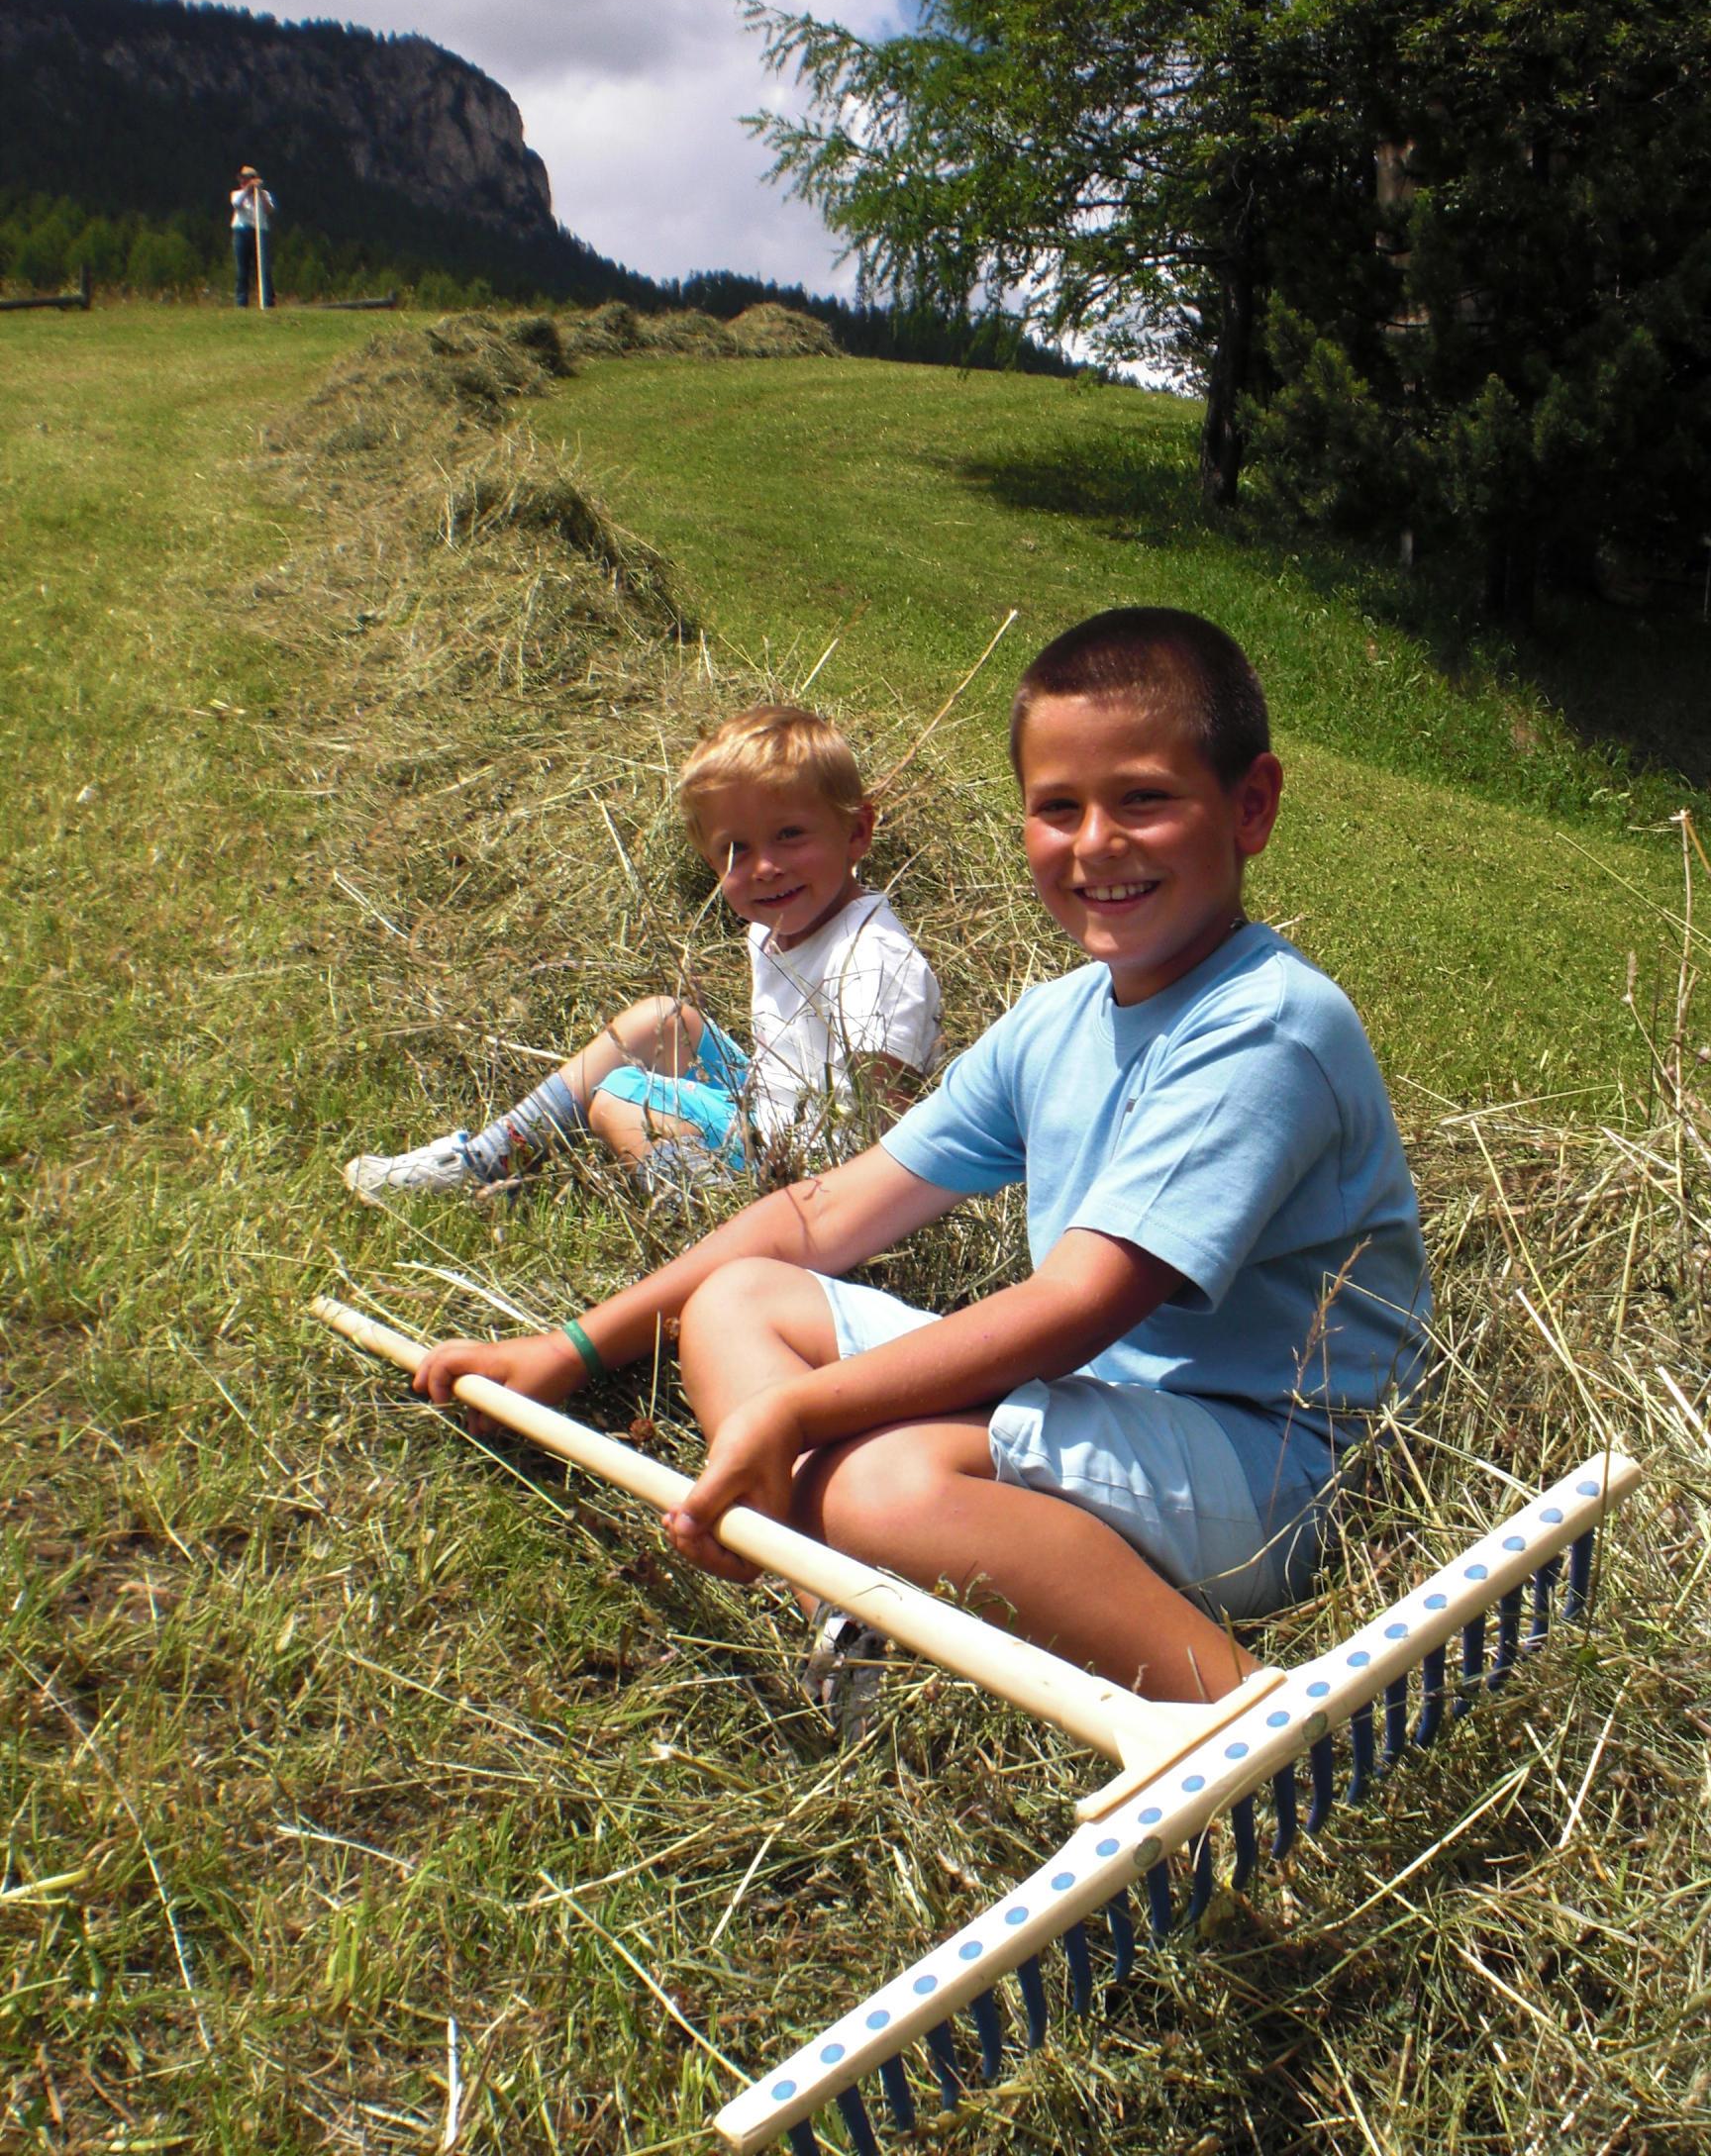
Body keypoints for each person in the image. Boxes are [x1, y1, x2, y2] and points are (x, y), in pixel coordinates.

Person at [415, 610, 1430, 1712]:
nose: (1095, 844)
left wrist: (801, 1416)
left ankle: (1239, 1712)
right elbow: (821, 1214)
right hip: (1110, 1412)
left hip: (1272, 1468)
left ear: (1251, 807)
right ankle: (847, 1613)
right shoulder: (1058, 1020)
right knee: (737, 1299)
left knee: (882, 1480)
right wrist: (571, 1349)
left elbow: (1078, 1307)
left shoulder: (1264, 1027)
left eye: (1143, 798)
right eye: (1057, 808)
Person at [346, 705, 943, 1203]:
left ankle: (710, 1216)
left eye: (790, 834)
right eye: (735, 850)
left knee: (623, 1097)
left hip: (808, 1179)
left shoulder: (874, 964)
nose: (763, 866)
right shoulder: (773, 928)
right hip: (772, 1112)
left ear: (857, 832)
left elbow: (878, 1142)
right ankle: (491, 1156)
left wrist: (790, 1204)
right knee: (660, 1019)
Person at [230, 165, 275, 309]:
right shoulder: (237, 194)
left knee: (263, 268)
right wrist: (247, 190)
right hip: (241, 231)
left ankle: (268, 300)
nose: (243, 181)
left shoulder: (264, 195)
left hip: (260, 231)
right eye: (242, 179)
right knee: (242, 269)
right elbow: (236, 204)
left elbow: (269, 209)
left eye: (246, 178)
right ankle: (241, 302)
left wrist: (259, 193)